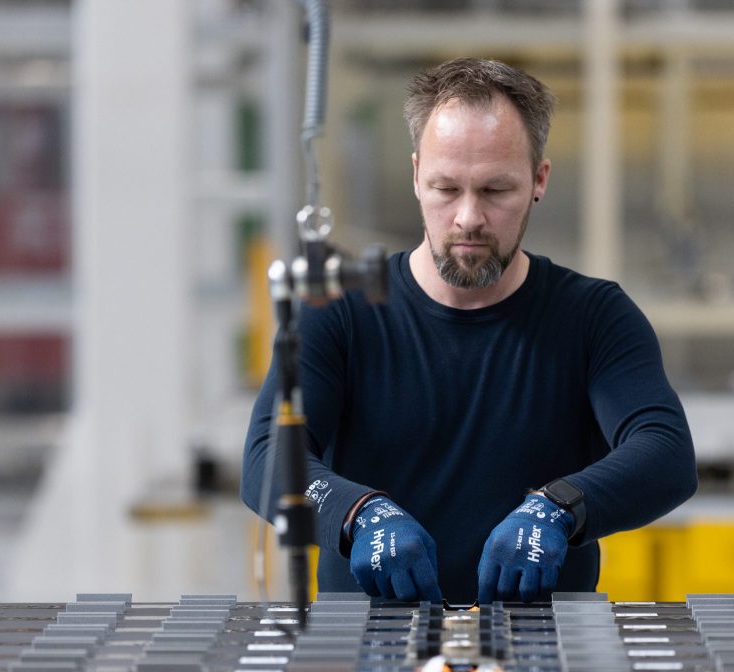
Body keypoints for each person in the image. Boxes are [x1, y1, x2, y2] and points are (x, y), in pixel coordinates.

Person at [242, 57, 696, 606]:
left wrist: (557, 508)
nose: (468, 218)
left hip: (543, 657)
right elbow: (268, 455)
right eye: (445, 188)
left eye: (495, 190)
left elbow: (665, 452)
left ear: (539, 181)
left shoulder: (593, 316)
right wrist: (358, 514)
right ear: (416, 176)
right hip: (363, 656)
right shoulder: (341, 311)